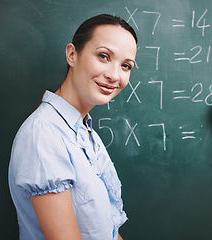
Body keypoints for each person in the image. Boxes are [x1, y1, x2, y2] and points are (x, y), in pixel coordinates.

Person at [8, 14, 137, 240]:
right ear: (72, 54)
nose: (114, 75)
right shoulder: (44, 134)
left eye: (126, 66)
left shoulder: (86, 133)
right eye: (103, 56)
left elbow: (108, 232)